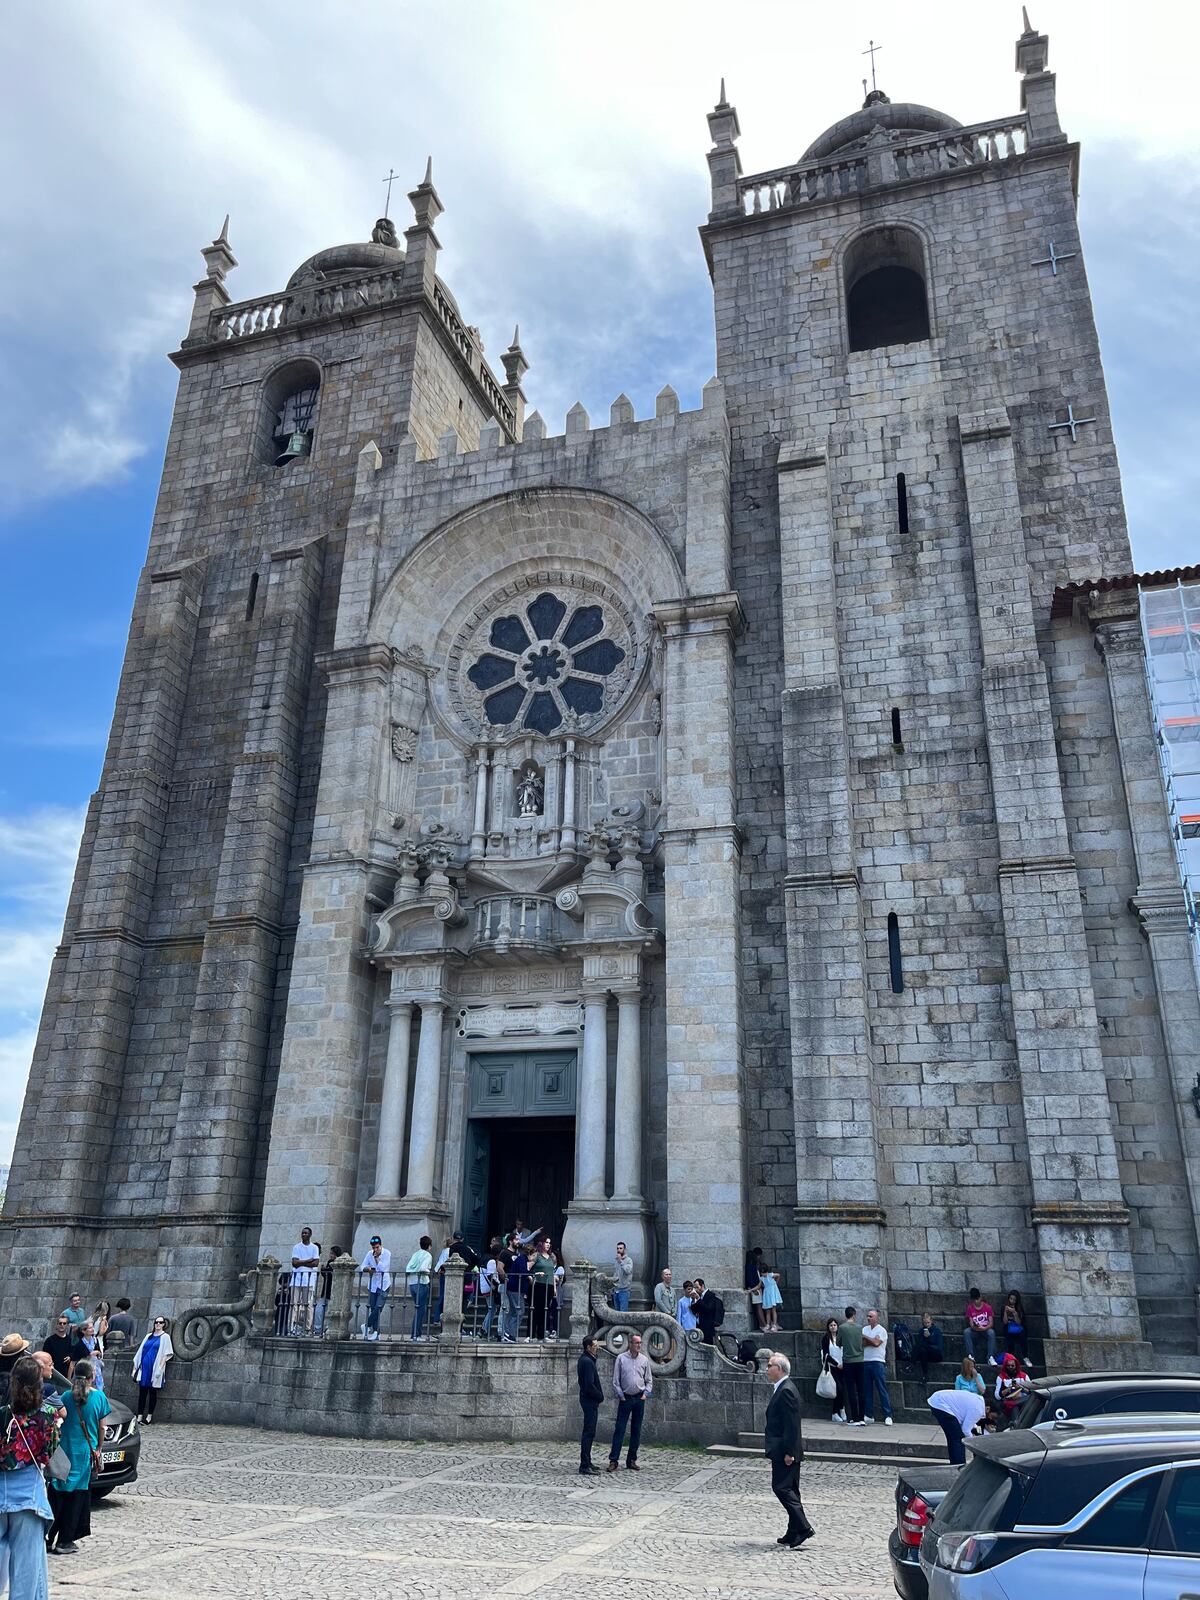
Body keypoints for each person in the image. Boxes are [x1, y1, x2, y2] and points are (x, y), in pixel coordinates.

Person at [0, 1353, 59, 1588]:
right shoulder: (48, 1417)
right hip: (29, 1498)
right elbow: (48, 1454)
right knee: (27, 1574)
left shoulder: (3, 1414)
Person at [48, 1357, 109, 1555]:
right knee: (77, 1497)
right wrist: (99, 1448)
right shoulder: (99, 1398)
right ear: (92, 1377)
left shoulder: (65, 1396)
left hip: (64, 1450)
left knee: (57, 1495)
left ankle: (48, 1538)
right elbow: (102, 1427)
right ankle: (65, 1540)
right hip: (84, 1452)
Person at [763, 1352, 814, 1549]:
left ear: (780, 1369)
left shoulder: (786, 1391)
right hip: (783, 1449)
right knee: (790, 1489)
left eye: (770, 1366)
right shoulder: (782, 1388)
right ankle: (793, 1530)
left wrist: (790, 1452)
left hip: (786, 1451)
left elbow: (792, 1425)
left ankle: (803, 1527)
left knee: (782, 1488)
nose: (767, 1369)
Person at [608, 1331, 652, 1472]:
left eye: (640, 1343)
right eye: (636, 1343)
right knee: (620, 1429)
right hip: (626, 1398)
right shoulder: (621, 1358)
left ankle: (631, 1459)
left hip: (639, 1398)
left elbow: (649, 1380)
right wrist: (620, 1395)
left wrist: (645, 1394)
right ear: (630, 1344)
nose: (639, 1345)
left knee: (636, 1430)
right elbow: (616, 1380)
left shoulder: (644, 1360)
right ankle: (613, 1460)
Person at [928, 1386, 986, 1465]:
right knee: (958, 1438)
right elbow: (965, 1430)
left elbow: (971, 1424)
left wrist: (976, 1432)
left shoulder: (979, 1402)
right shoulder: (978, 1409)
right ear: (988, 1409)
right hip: (940, 1404)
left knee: (952, 1438)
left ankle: (954, 1464)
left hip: (938, 1401)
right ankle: (959, 1466)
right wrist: (973, 1443)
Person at [132, 1315, 173, 1423]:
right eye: (156, 1322)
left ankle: (149, 1416)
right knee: (142, 1392)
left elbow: (166, 1353)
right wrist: (135, 1367)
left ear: (164, 1324)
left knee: (152, 1392)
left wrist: (160, 1368)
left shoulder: (165, 1337)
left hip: (155, 1368)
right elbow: (140, 1351)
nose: (158, 1324)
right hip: (144, 1367)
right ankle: (139, 1415)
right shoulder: (148, 1336)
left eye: (160, 1322)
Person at [576, 1335, 604, 1475]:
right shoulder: (587, 1361)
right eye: (595, 1345)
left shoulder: (588, 1360)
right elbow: (588, 1385)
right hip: (589, 1400)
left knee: (590, 1432)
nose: (597, 1347)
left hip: (589, 1400)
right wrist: (599, 1396)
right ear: (588, 1347)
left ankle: (588, 1461)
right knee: (588, 1432)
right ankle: (584, 1465)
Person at [861, 1310, 892, 1425]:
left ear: (876, 1318)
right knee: (867, 1390)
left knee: (881, 1389)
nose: (868, 1318)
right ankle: (869, 1414)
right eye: (868, 1316)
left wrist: (866, 1338)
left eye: (871, 1316)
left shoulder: (881, 1330)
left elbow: (876, 1343)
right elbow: (862, 1344)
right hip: (866, 1361)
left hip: (878, 1362)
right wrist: (872, 1339)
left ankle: (888, 1415)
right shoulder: (864, 1329)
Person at [359, 1236, 392, 1341]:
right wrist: (368, 1269)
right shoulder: (369, 1254)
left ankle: (367, 1325)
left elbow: (383, 1268)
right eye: (373, 1248)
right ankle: (376, 1332)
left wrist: (377, 1258)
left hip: (384, 1284)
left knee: (379, 1307)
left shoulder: (387, 1253)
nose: (375, 1250)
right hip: (373, 1285)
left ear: (380, 1245)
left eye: (377, 1247)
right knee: (373, 1308)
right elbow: (362, 1266)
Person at [837, 1306, 866, 1426]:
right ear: (854, 1315)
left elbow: (839, 1343)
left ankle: (854, 1417)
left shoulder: (842, 1328)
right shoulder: (860, 1327)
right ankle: (862, 1417)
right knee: (861, 1389)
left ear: (846, 1315)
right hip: (860, 1360)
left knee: (851, 1390)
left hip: (848, 1361)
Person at [289, 1226, 320, 1335]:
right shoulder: (297, 1247)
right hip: (296, 1279)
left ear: (310, 1235)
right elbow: (294, 1263)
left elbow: (316, 1263)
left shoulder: (314, 1248)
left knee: (308, 1304)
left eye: (306, 1233)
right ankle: (292, 1326)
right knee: (294, 1304)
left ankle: (307, 1328)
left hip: (309, 1280)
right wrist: (308, 1261)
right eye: (302, 1233)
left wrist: (300, 1262)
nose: (304, 1235)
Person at [404, 1235, 434, 1341]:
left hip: (412, 1283)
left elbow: (408, 1268)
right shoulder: (428, 1255)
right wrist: (429, 1272)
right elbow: (423, 1268)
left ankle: (414, 1334)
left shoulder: (415, 1254)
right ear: (429, 1246)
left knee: (417, 1309)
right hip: (421, 1282)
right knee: (421, 1310)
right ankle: (416, 1335)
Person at [501, 1235, 530, 1343]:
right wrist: (506, 1278)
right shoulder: (505, 1253)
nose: (518, 1241)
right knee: (519, 1311)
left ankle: (507, 1333)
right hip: (512, 1285)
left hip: (514, 1286)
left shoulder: (517, 1254)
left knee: (513, 1311)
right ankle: (510, 1334)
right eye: (516, 1239)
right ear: (510, 1241)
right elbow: (499, 1267)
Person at [313, 1245, 343, 1337]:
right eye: (330, 1253)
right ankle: (318, 1328)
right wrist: (323, 1270)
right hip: (325, 1290)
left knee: (330, 1311)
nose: (331, 1255)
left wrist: (325, 1270)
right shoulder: (329, 1262)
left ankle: (329, 1328)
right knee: (319, 1309)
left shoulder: (338, 1263)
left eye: (332, 1254)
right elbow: (326, 1275)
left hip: (332, 1291)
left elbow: (332, 1274)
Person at [994, 1353, 1031, 1426]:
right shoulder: (1001, 1377)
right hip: (1008, 1402)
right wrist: (1009, 1388)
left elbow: (1031, 1392)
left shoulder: (1024, 1376)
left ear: (1016, 1366)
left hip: (1023, 1400)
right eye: (1008, 1366)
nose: (1010, 1367)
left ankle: (1015, 1424)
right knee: (1014, 1406)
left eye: (1012, 1366)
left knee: (1029, 1399)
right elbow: (997, 1396)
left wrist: (1020, 1388)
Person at [821, 1317, 846, 1421]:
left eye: (834, 1325)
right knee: (837, 1388)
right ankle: (836, 1411)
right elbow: (826, 1355)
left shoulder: (841, 1337)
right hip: (832, 1368)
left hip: (843, 1366)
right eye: (831, 1325)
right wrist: (836, 1363)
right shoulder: (826, 1338)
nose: (833, 1327)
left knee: (843, 1389)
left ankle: (841, 1409)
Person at [531, 1237, 556, 1341]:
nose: (548, 1244)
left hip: (549, 1285)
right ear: (541, 1243)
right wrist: (535, 1274)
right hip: (539, 1285)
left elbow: (552, 1273)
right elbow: (528, 1268)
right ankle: (532, 1334)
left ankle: (542, 1335)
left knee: (546, 1310)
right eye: (546, 1242)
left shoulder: (551, 1257)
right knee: (537, 1310)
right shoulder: (537, 1255)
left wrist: (554, 1288)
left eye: (549, 1243)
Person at [964, 1287, 996, 1366]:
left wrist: (984, 1328)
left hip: (986, 1329)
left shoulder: (987, 1307)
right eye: (974, 1299)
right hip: (975, 1329)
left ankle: (990, 1357)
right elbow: (971, 1324)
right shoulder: (970, 1308)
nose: (976, 1301)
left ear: (980, 1297)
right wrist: (976, 1328)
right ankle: (971, 1356)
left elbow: (991, 1323)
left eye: (977, 1299)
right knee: (966, 1332)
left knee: (991, 1333)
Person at [479, 1237, 503, 1340]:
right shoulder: (492, 1261)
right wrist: (496, 1286)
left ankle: (483, 1330)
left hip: (484, 1287)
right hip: (489, 1288)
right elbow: (491, 1276)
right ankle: (484, 1330)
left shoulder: (485, 1257)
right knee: (492, 1310)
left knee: (491, 1309)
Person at [914, 1312, 944, 1381]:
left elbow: (939, 1348)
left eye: (928, 1323)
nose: (926, 1325)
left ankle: (912, 1363)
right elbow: (918, 1345)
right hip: (925, 1355)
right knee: (922, 1349)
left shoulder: (937, 1331)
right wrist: (924, 1338)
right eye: (925, 1323)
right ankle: (925, 1375)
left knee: (923, 1346)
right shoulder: (921, 1331)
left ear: (931, 1322)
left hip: (936, 1354)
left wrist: (929, 1338)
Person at [1000, 1291, 1027, 1362]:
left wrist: (1015, 1313)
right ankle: (1010, 1357)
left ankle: (1025, 1357)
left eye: (1014, 1300)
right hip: (1008, 1328)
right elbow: (1004, 1322)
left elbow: (1019, 1323)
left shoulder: (1019, 1308)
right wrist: (1005, 1312)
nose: (1012, 1301)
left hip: (1017, 1327)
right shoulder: (1004, 1307)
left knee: (1023, 1335)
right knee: (1009, 1336)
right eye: (1011, 1299)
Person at [692, 1279, 722, 1344]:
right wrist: (693, 1300)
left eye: (697, 1287)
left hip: (707, 1328)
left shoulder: (710, 1295)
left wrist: (699, 1299)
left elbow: (708, 1309)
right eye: (695, 1288)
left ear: (702, 1286)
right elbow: (694, 1310)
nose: (696, 1289)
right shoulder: (699, 1297)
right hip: (699, 1327)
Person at [744, 1247, 766, 1330]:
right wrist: (753, 1288)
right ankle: (763, 1324)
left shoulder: (752, 1265)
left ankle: (762, 1324)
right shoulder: (750, 1266)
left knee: (759, 1307)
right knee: (758, 1307)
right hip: (755, 1288)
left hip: (755, 1287)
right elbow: (750, 1278)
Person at [612, 1242, 633, 1312]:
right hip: (615, 1290)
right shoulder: (616, 1261)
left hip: (624, 1290)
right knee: (616, 1312)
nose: (619, 1250)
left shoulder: (629, 1260)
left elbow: (628, 1271)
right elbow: (615, 1274)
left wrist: (621, 1261)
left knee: (623, 1313)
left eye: (621, 1248)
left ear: (625, 1250)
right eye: (617, 1248)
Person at [760, 1267, 782, 1332]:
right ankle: (768, 1324)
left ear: (767, 1271)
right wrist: (751, 1290)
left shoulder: (770, 1275)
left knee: (773, 1309)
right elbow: (759, 1285)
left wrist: (775, 1283)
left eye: (765, 1272)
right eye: (763, 1273)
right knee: (767, 1311)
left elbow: (778, 1275)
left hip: (772, 1293)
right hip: (767, 1294)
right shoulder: (762, 1278)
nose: (764, 1274)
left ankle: (774, 1325)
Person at [273, 1270, 292, 1336]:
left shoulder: (291, 1289)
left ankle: (284, 1333)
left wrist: (287, 1294)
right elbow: (276, 1302)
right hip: (280, 1311)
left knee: (285, 1324)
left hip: (287, 1311)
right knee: (278, 1323)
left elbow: (291, 1301)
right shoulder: (280, 1289)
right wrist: (279, 1295)